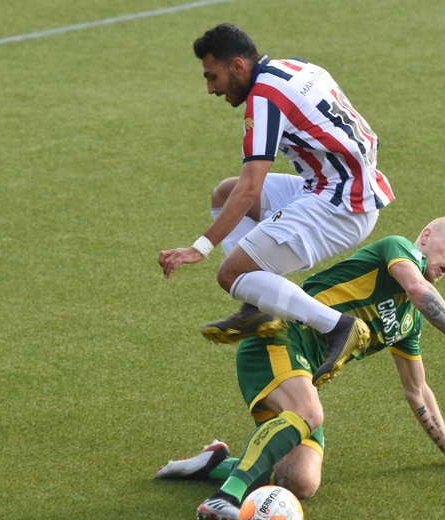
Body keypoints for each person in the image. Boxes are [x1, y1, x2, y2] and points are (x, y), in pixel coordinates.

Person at [156, 216, 445, 520]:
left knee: (300, 482)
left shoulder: (409, 323)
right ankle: (225, 498)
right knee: (310, 413)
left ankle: (217, 462)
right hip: (278, 338)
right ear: (426, 237)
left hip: (299, 371)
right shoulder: (397, 251)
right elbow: (416, 286)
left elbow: (417, 390)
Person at [158, 23, 396, 385]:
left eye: (213, 76)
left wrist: (199, 248)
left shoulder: (265, 98)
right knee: (224, 193)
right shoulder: (297, 67)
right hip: (337, 185)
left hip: (342, 207)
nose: (210, 89)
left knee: (231, 274)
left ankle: (340, 327)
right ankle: (257, 309)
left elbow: (251, 188)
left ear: (238, 65)